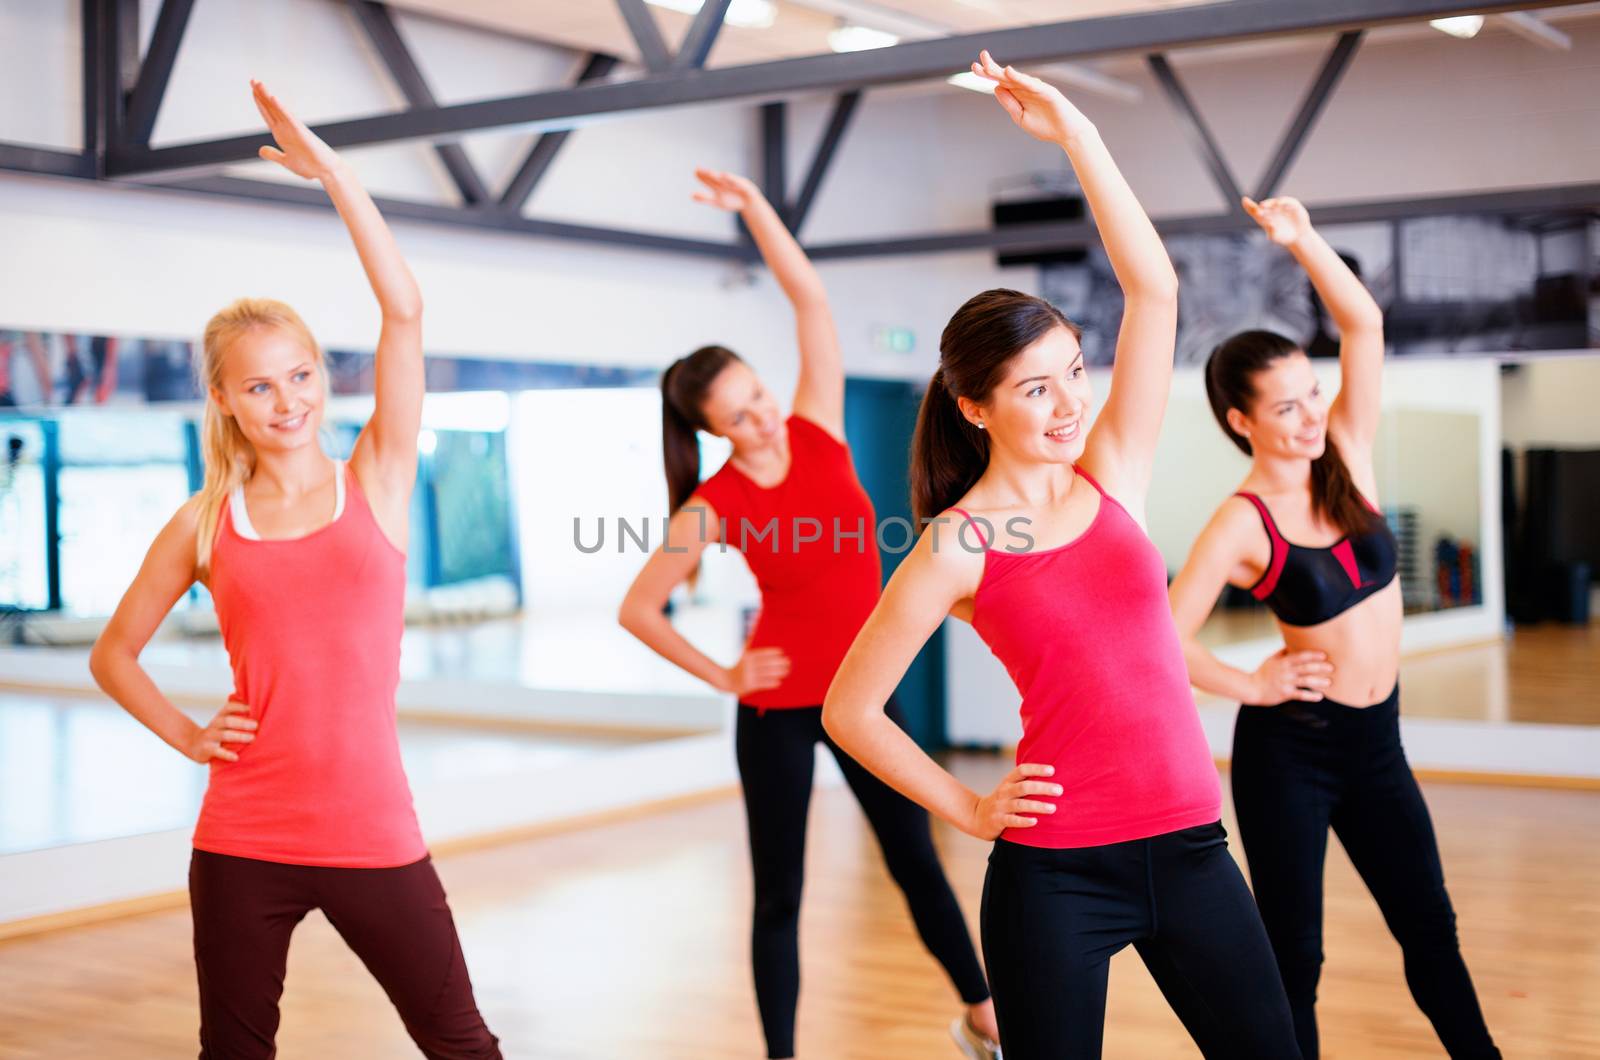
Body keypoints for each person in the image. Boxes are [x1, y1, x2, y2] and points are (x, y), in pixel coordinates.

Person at [822, 53, 1300, 1059]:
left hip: (1191, 848)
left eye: (1073, 372)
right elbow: (849, 709)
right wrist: (965, 804)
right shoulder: (958, 545)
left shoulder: (1110, 475)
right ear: (973, 405)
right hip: (1054, 873)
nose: (1070, 401)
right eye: (1036, 388)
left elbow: (1153, 288)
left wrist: (1078, 137)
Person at [88, 81, 500, 1059]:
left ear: (323, 376)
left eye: (303, 374)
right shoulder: (204, 522)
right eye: (261, 385)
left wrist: (339, 180)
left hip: (373, 834)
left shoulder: (381, 480)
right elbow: (114, 654)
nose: (288, 400)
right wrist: (190, 735)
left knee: (461, 1045)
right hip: (240, 836)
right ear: (227, 400)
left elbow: (403, 312)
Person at [618, 167, 998, 1060]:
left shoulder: (819, 426)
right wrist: (726, 673)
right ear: (714, 431)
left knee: (916, 863)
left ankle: (984, 1017)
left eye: (758, 392)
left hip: (866, 689)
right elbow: (639, 608)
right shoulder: (710, 503)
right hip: (778, 707)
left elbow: (811, 301)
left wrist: (756, 209)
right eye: (739, 414)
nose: (762, 415)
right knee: (778, 893)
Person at [1167, 194, 1500, 1059]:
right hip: (1293, 754)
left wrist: (1303, 242)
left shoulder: (1345, 452)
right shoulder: (1240, 523)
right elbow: (1162, 635)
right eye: (1286, 408)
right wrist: (1252, 683)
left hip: (1377, 745)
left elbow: (1366, 326)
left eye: (1312, 394)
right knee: (1296, 958)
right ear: (1241, 422)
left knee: (1430, 930)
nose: (1312, 415)